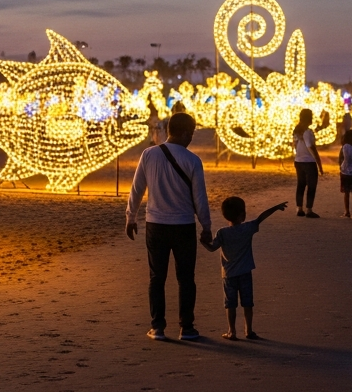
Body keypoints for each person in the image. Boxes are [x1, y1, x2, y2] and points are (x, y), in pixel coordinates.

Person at [126, 112, 213, 342]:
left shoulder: (149, 154)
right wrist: (206, 226)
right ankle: (187, 327)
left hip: (156, 225)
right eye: (191, 133)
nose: (192, 138)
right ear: (184, 133)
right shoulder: (193, 160)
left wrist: (131, 217)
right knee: (186, 278)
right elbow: (200, 198)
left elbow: (136, 190)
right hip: (183, 225)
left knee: (157, 277)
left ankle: (158, 327)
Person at [206, 196, 286, 340]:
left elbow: (212, 248)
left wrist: (202, 241)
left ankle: (232, 331)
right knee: (247, 303)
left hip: (228, 275)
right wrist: (275, 207)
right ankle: (248, 330)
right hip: (245, 273)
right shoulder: (247, 228)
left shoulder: (222, 232)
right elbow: (261, 218)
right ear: (242, 215)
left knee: (230, 304)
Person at [292, 108, 324, 218]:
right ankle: (309, 209)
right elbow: (310, 146)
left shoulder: (296, 130)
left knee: (300, 184)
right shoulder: (308, 132)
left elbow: (294, 145)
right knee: (311, 185)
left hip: (299, 160)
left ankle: (299, 208)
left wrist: (297, 155)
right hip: (309, 161)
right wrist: (319, 162)